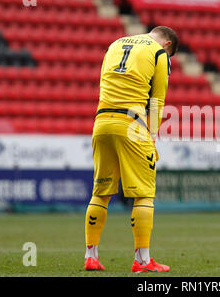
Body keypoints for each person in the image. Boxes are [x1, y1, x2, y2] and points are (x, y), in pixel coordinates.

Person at [84, 26, 179, 273]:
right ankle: (143, 261)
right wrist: (152, 135)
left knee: (101, 192)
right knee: (144, 195)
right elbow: (157, 99)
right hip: (132, 124)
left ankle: (91, 256)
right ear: (168, 45)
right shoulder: (159, 53)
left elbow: (105, 84)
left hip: (102, 122)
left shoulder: (114, 44)